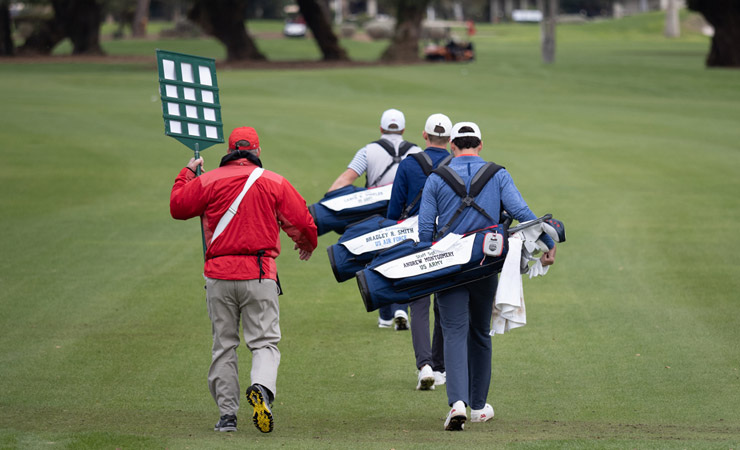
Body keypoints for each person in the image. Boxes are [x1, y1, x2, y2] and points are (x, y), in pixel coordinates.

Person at [170, 127, 318, 434]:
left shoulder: (207, 180)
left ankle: (227, 416)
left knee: (224, 346)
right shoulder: (274, 181)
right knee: (264, 343)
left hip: (218, 274)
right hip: (260, 273)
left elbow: (179, 207)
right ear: (257, 151)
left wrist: (187, 172)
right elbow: (302, 219)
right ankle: (261, 389)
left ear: (230, 149)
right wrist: (305, 242)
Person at [417, 122, 556, 431]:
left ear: (452, 146)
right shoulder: (497, 174)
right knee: (480, 332)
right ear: (480, 145)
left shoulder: (437, 177)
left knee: (453, 331)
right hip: (485, 263)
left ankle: (456, 404)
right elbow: (522, 211)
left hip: (448, 265)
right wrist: (548, 243)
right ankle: (479, 406)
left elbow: (425, 230)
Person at [328, 108, 422, 330]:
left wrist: (330, 205)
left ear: (381, 128)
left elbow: (346, 179)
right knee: (404, 257)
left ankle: (385, 316)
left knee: (378, 259)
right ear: (403, 129)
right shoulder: (418, 152)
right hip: (409, 216)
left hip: (377, 216)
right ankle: (401, 308)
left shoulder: (367, 151)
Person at [386, 113, 453, 390]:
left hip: (414, 238)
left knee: (419, 304)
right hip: (449, 240)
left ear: (424, 136)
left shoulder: (409, 164)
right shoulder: (457, 165)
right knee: (444, 302)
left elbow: (393, 211)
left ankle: (424, 365)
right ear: (450, 140)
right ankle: (439, 367)